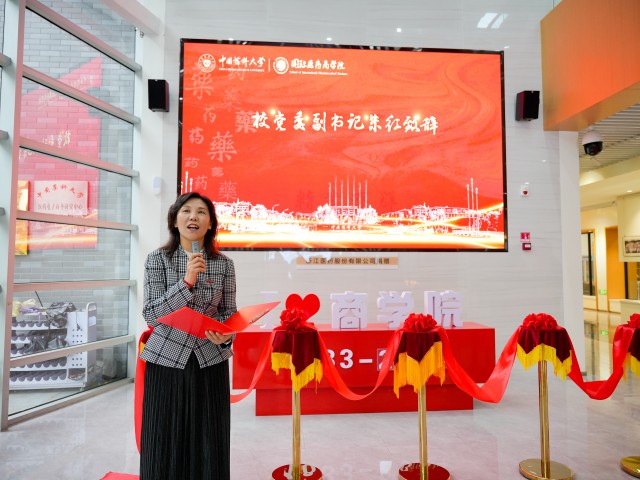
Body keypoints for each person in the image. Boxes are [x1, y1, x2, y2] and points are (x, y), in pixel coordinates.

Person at [139, 192, 236, 480]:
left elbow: (229, 312)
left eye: (201, 212)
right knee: (164, 438)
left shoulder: (224, 264)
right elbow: (151, 315)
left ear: (210, 224)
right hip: (166, 360)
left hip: (210, 359)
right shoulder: (157, 259)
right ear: (175, 220)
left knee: (210, 438)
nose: (194, 216)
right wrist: (187, 282)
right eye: (187, 211)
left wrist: (225, 335)